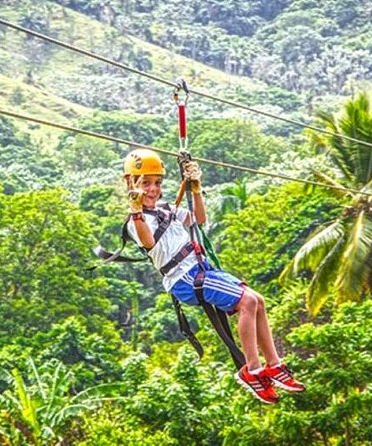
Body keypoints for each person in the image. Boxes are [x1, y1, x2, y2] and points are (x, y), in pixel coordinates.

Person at [122, 148, 305, 404]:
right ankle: (252, 369)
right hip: (184, 278)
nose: (153, 189)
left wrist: (194, 187)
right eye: (145, 184)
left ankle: (273, 364)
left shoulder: (166, 209)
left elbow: (199, 218)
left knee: (257, 300)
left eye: (157, 183)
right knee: (247, 302)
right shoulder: (135, 221)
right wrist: (135, 208)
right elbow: (148, 241)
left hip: (200, 267)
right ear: (130, 183)